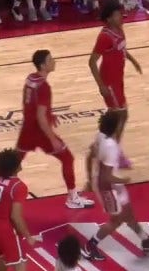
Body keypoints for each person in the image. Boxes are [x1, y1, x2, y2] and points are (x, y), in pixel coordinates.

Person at [17, 50, 94, 210]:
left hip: (27, 129)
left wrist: (49, 113)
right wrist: (52, 138)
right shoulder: (44, 86)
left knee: (11, 163)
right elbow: (40, 116)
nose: (54, 61)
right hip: (39, 131)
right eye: (50, 59)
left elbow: (31, 104)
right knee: (67, 158)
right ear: (44, 65)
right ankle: (72, 198)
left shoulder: (30, 79)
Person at [81, 111, 149, 261]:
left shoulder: (100, 136)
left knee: (128, 214)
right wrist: (125, 180)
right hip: (107, 187)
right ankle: (90, 245)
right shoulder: (110, 146)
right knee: (116, 220)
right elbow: (106, 176)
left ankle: (146, 240)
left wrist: (90, 178)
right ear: (116, 127)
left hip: (109, 183)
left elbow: (89, 157)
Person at [89, 0, 141, 137]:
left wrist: (134, 61)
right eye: (118, 14)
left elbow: (122, 48)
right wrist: (101, 86)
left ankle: (103, 140)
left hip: (118, 78)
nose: (121, 16)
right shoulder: (104, 37)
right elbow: (92, 62)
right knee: (122, 114)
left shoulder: (119, 29)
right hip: (109, 80)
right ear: (109, 19)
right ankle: (112, 144)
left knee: (114, 113)